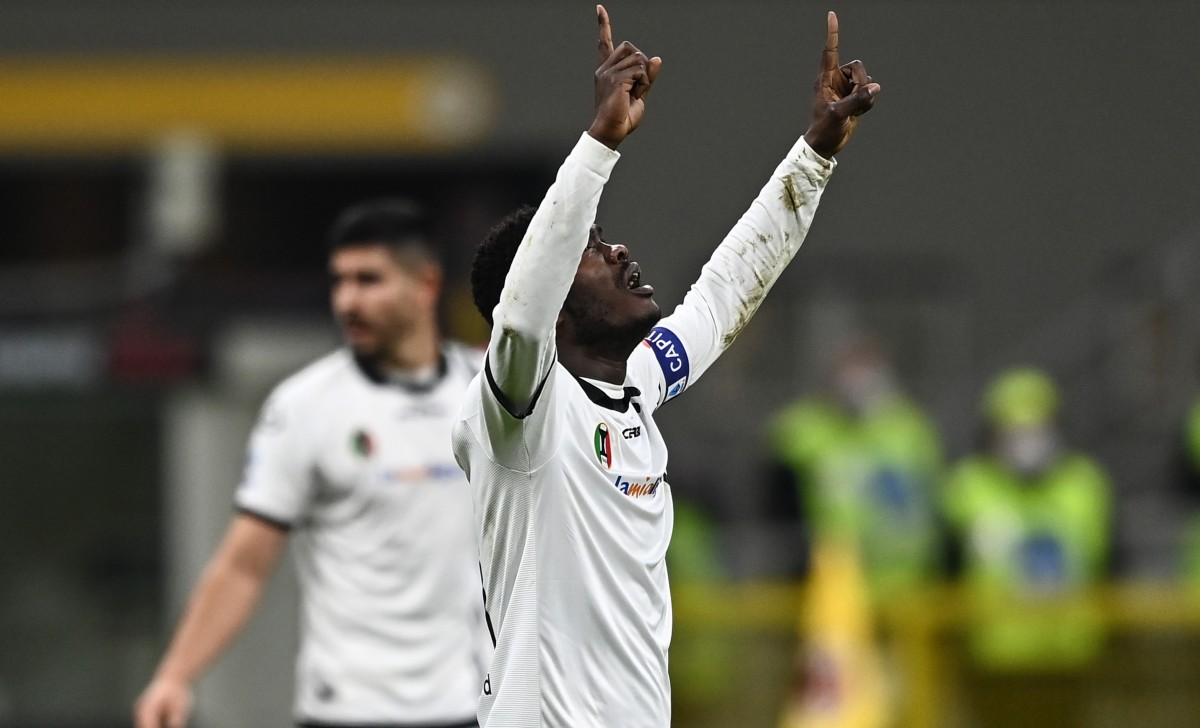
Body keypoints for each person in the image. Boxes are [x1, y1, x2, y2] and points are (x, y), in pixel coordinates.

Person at [452, 6, 879, 726]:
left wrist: (815, 154)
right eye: (591, 248)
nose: (617, 250)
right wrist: (599, 143)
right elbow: (522, 311)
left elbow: (725, 292)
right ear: (553, 302)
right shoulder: (519, 413)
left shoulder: (635, 388)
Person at [134, 200, 486, 728]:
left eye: (369, 280)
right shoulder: (303, 406)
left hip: (471, 707)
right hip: (346, 711)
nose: (347, 300)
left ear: (426, 284)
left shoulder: (487, 393)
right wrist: (175, 675)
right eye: (339, 281)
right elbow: (243, 563)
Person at [768, 333, 945, 602]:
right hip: (836, 580)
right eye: (850, 368)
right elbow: (775, 486)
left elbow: (931, 500)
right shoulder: (806, 428)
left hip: (907, 578)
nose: (858, 380)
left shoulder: (911, 429)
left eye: (866, 366)